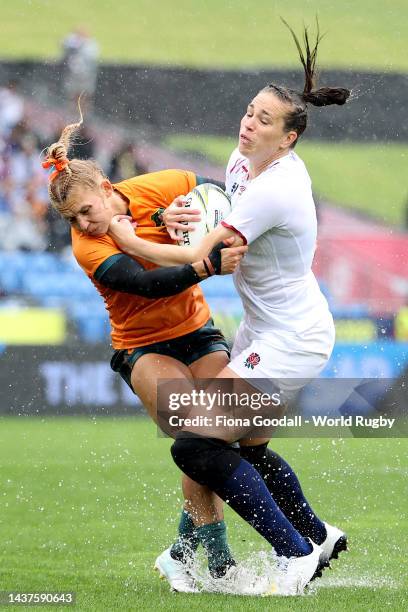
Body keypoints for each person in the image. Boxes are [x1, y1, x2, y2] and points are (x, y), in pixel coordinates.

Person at [108, 20, 350, 595]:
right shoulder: (245, 165)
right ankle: (315, 535)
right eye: (248, 112)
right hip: (269, 329)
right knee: (243, 447)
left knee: (195, 444)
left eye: (264, 121)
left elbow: (203, 255)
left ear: (288, 138)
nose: (249, 123)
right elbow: (221, 227)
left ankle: (295, 554)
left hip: (292, 338)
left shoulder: (278, 186)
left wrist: (124, 233)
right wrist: (186, 220)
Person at [41, 119, 249, 593]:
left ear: (108, 188)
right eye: (72, 220)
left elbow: (213, 192)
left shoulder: (159, 187)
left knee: (220, 440)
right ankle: (220, 565)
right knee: (199, 437)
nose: (83, 224)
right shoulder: (88, 247)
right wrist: (206, 264)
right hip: (142, 346)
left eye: (87, 211)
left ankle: (179, 554)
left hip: (199, 333)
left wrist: (188, 216)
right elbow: (144, 284)